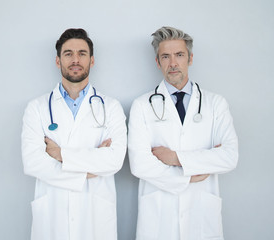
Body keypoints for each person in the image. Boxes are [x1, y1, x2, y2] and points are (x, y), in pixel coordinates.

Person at [128, 26, 238, 240]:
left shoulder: (215, 104)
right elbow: (139, 164)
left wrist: (174, 158)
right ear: (157, 62)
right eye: (165, 56)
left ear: (190, 58)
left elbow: (229, 156)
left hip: (201, 213)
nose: (173, 63)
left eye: (179, 55)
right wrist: (190, 175)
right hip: (159, 214)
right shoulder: (142, 105)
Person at [21, 28, 127, 240]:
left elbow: (114, 161)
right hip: (53, 213)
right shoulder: (37, 108)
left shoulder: (111, 107)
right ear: (58, 61)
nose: (75, 60)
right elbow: (33, 163)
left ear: (92, 60)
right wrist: (88, 171)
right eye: (68, 53)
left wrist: (60, 155)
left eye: (82, 53)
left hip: (95, 216)